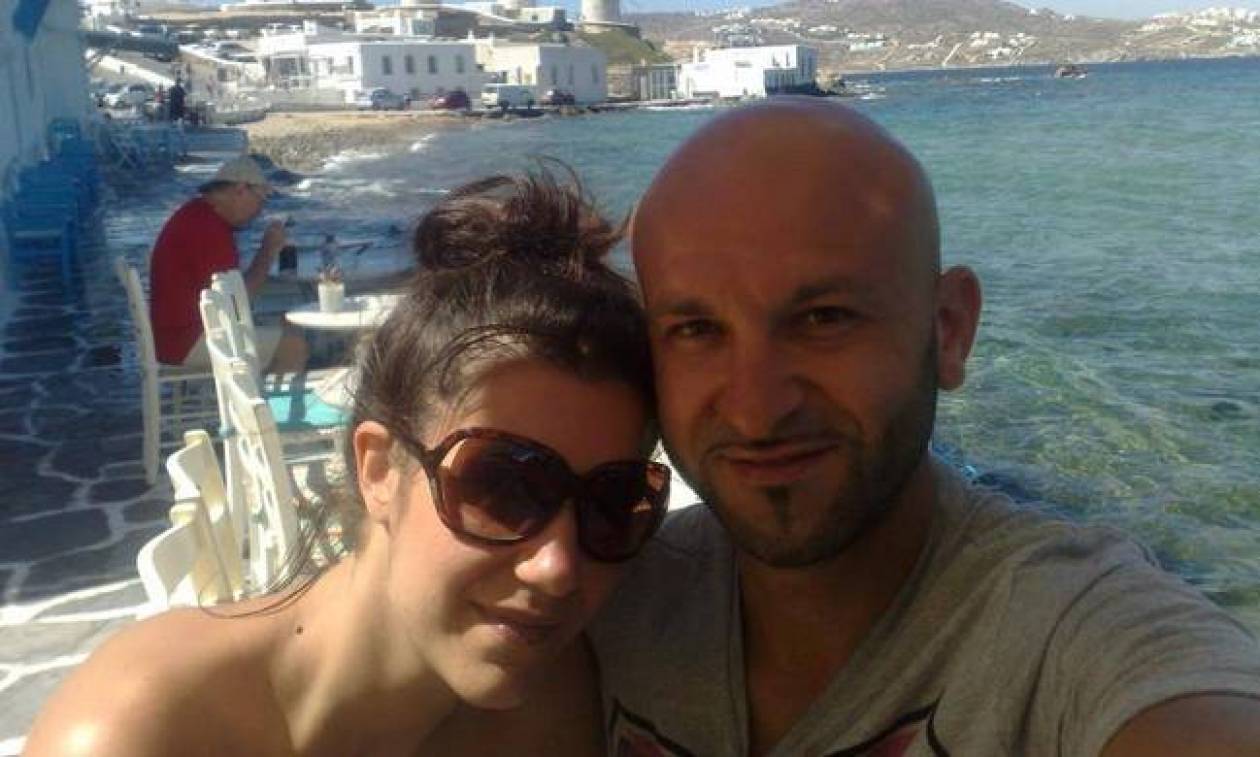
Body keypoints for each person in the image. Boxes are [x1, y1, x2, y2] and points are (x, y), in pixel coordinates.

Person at [587, 98, 1260, 756]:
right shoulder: (597, 600)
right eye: (696, 330)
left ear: (948, 329)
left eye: (824, 318)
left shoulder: (1074, 627)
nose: (755, 412)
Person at [25, 168, 671, 755]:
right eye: (503, 485)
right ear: (380, 470)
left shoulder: (564, 699)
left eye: (612, 503)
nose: (558, 568)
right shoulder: (146, 731)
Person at [149, 155, 308, 373]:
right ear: (240, 191)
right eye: (260, 200)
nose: (259, 210)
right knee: (293, 347)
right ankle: (256, 395)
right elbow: (237, 302)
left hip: (176, 335)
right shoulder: (209, 230)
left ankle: (258, 387)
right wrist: (269, 250)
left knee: (284, 327)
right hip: (186, 341)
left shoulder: (198, 215)